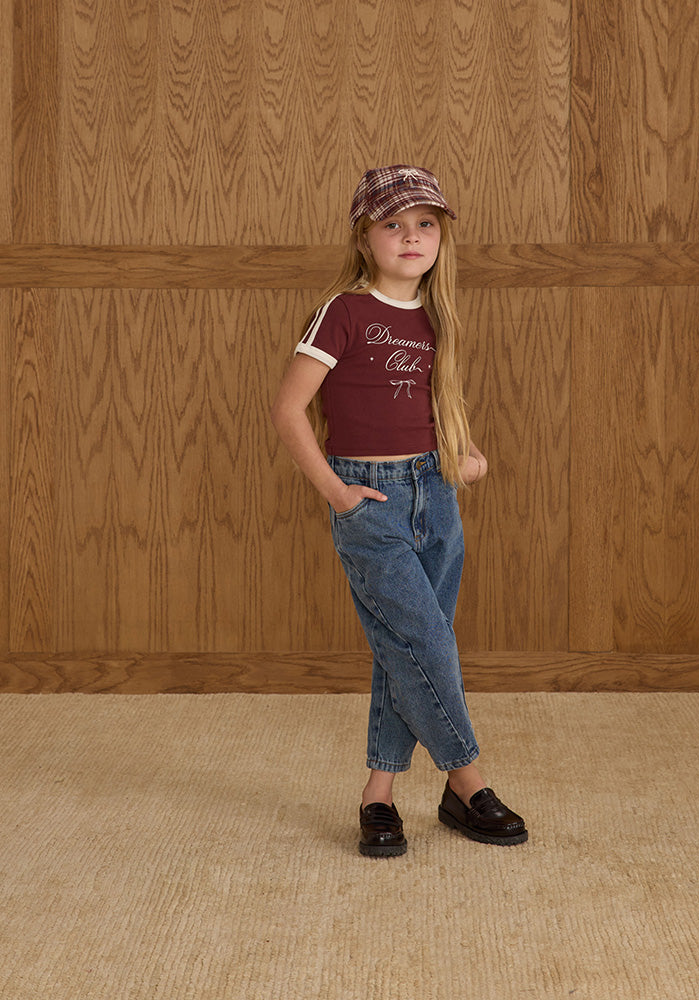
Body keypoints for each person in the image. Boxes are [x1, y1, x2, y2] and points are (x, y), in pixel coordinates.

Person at [271, 164, 527, 857]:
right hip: (371, 501)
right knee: (426, 642)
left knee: (403, 648)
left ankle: (378, 794)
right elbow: (289, 409)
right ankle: (467, 781)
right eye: (393, 225)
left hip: (434, 497)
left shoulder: (435, 316)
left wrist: (465, 452)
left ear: (440, 237)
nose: (411, 237)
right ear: (364, 238)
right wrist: (337, 493)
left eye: (425, 224)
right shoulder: (344, 311)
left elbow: (431, 405)